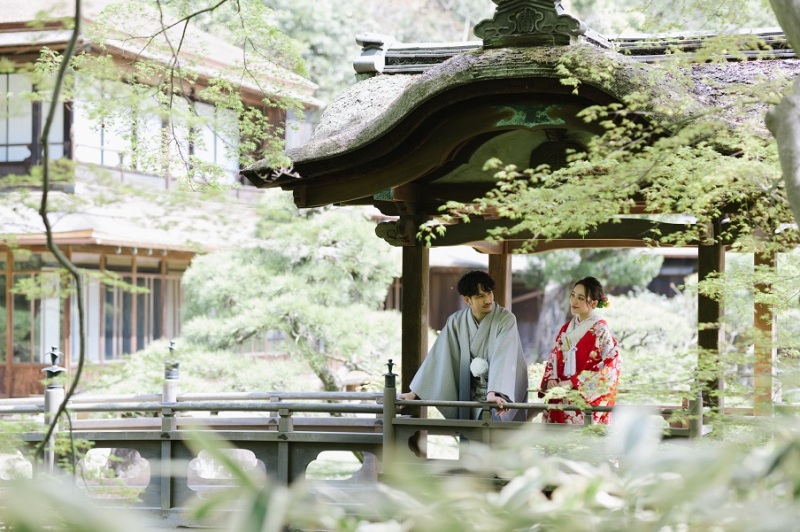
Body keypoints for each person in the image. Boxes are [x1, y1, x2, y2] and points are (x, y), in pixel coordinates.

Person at [398, 270, 529, 421]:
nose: (488, 300)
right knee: (469, 433)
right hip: (468, 392)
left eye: (489, 293)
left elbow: (503, 356)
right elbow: (439, 356)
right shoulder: (456, 322)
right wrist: (414, 394)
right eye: (480, 296)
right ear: (468, 300)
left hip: (499, 393)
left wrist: (494, 391)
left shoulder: (506, 319)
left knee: (495, 427)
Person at [539, 276, 621, 425]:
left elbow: (610, 367)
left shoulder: (600, 330)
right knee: (555, 443)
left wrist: (574, 382)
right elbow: (553, 358)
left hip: (583, 403)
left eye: (581, 298)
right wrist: (551, 378)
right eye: (572, 295)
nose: (574, 301)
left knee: (580, 444)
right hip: (560, 396)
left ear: (594, 303)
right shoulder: (566, 328)